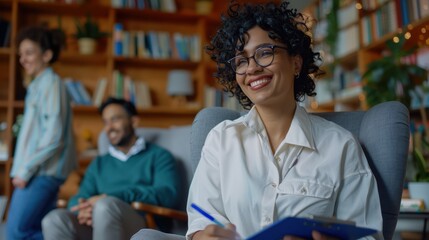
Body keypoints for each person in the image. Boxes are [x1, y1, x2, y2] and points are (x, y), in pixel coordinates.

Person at [186, 1, 383, 240]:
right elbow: (200, 222)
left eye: (265, 53)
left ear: (296, 62)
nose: (252, 68)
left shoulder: (341, 146)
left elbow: (368, 236)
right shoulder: (221, 140)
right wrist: (202, 236)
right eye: (241, 61)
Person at [41, 97, 180, 240]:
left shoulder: (159, 156)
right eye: (105, 122)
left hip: (142, 224)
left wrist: (114, 196)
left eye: (115, 120)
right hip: (98, 224)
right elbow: (79, 198)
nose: (109, 127)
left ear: (134, 121)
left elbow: (168, 195)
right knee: (54, 219)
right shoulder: (99, 163)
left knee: (104, 206)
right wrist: (84, 210)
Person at [6, 25, 76, 240]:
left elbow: (54, 137)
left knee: (15, 233)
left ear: (47, 55)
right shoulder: (37, 87)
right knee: (43, 229)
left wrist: (25, 171)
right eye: (20, 54)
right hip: (37, 172)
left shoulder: (52, 84)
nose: (22, 59)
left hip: (41, 173)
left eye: (28, 53)